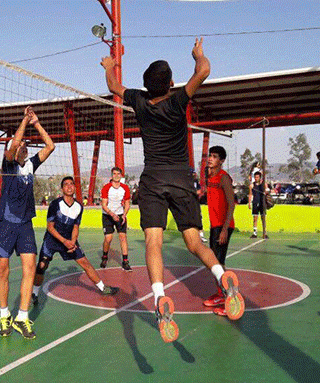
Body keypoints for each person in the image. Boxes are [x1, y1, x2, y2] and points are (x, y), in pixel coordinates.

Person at [101, 37, 244, 343]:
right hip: (181, 179)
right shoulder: (179, 100)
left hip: (152, 179)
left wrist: (109, 66)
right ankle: (222, 276)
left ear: (146, 85)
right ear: (170, 84)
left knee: (154, 241)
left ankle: (159, 297)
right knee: (194, 242)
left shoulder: (139, 100)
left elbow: (114, 86)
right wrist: (198, 54)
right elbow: (204, 70)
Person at [0, 106, 54, 339]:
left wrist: (36, 123)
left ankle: (22, 317)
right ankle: (4, 314)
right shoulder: (8, 165)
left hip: (25, 225)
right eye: (20, 145)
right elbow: (12, 145)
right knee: (3, 271)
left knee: (30, 268)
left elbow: (50, 146)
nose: (23, 147)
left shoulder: (30, 165)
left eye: (25, 146)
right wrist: (23, 121)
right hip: (5, 225)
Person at [32, 177, 119, 305]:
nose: (69, 186)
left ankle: (103, 288)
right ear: (62, 189)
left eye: (71, 184)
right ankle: (34, 293)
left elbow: (76, 227)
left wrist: (72, 241)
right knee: (42, 266)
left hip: (69, 241)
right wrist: (64, 241)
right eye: (66, 184)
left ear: (74, 187)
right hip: (52, 240)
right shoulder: (55, 204)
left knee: (85, 263)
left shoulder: (79, 206)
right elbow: (50, 228)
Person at [203, 146, 237, 316]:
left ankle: (231, 299)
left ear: (221, 161)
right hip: (214, 225)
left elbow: (232, 203)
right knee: (214, 263)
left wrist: (224, 229)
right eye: (210, 155)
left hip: (223, 226)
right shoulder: (209, 176)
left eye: (215, 156)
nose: (210, 158)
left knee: (219, 264)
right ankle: (220, 294)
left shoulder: (224, 178)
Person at [100, 167, 132, 271]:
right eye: (114, 173)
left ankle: (125, 261)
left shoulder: (125, 188)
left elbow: (127, 203)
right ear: (112, 175)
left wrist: (124, 214)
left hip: (120, 215)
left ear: (121, 175)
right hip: (108, 215)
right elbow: (104, 205)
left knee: (123, 237)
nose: (116, 175)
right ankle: (104, 257)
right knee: (108, 238)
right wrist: (112, 214)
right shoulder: (106, 188)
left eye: (118, 174)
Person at [248, 171, 268, 239]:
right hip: (255, 202)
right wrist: (249, 203)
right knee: (255, 218)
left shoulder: (264, 184)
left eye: (257, 177)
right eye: (255, 177)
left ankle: (264, 233)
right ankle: (255, 233)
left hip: (262, 202)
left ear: (260, 177)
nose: (256, 178)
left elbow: (267, 192)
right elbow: (250, 194)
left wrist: (266, 191)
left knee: (263, 218)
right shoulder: (252, 185)